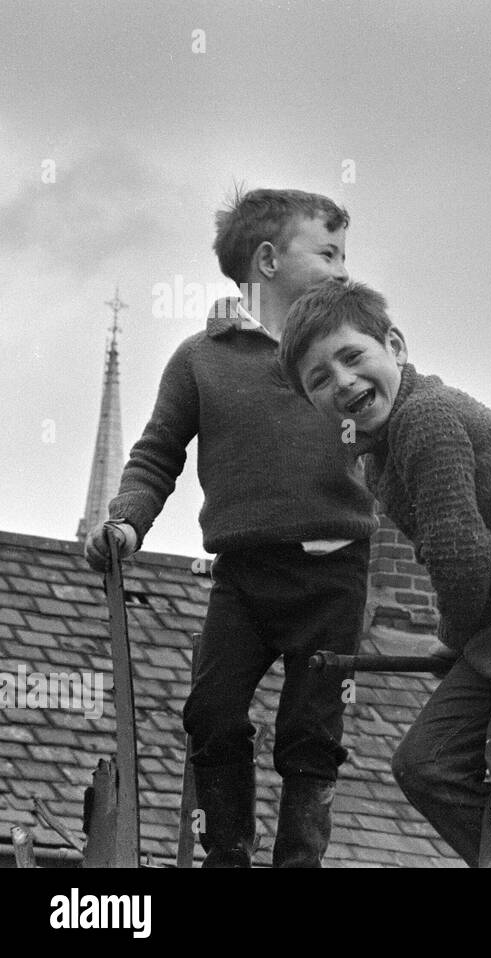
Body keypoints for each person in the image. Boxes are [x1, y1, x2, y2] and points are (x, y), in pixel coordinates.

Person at [278, 279, 491, 867]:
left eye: (353, 356)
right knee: (429, 765)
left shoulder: (425, 421)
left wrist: (453, 639)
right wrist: (464, 642)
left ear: (396, 346)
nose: (342, 381)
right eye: (319, 379)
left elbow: (462, 557)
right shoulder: (383, 449)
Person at [84, 189, 377, 867]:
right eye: (327, 252)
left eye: (345, 256)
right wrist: (127, 524)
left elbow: (398, 427)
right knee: (210, 713)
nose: (341, 270)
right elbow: (156, 453)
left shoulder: (347, 355)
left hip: (333, 574)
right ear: (268, 260)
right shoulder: (201, 359)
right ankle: (227, 858)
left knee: (310, 733)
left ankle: (299, 863)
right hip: (242, 576)